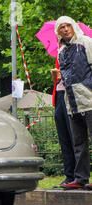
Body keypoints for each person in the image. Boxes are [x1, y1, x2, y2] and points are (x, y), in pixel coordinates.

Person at [55, 16, 92, 190]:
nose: (65, 29)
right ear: (58, 31)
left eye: (67, 25)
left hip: (89, 99)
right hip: (72, 102)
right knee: (79, 143)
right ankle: (81, 178)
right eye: (61, 27)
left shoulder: (86, 42)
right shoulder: (61, 51)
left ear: (73, 26)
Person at [50, 57, 76, 188]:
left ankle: (79, 176)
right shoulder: (59, 53)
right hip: (60, 94)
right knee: (64, 138)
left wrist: (64, 74)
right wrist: (57, 75)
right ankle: (69, 176)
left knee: (74, 137)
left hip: (73, 95)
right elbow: (58, 79)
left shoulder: (79, 49)